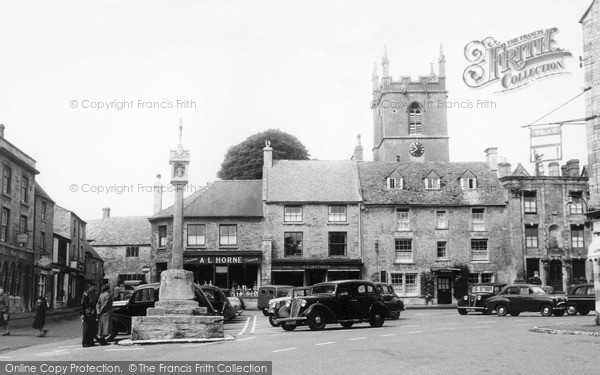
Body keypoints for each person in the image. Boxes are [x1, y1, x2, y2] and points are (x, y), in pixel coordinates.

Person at [80, 281, 98, 347]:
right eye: (93, 286)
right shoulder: (86, 294)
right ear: (90, 286)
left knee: (92, 328)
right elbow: (82, 304)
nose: (95, 287)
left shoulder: (93, 293)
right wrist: (82, 314)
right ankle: (85, 342)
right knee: (86, 328)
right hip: (87, 312)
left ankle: (90, 341)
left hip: (92, 312)